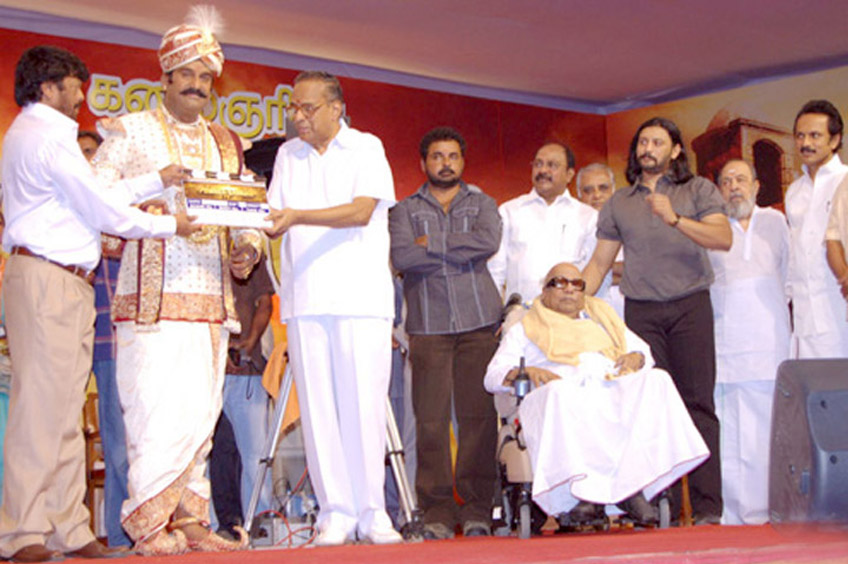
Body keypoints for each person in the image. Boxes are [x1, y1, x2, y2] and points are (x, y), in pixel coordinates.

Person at [0, 45, 192, 563]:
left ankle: (68, 529)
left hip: (57, 282)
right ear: (47, 88)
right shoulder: (46, 136)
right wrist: (170, 224)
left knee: (62, 413)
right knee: (40, 413)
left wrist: (157, 180)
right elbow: (103, 207)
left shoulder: (34, 134)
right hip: (49, 279)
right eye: (73, 86)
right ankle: (20, 533)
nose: (81, 95)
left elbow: (93, 192)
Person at [91, 7, 262, 555]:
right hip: (150, 300)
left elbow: (244, 214)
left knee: (199, 415)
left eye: (205, 76)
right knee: (153, 411)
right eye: (185, 74)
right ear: (164, 77)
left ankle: (189, 521)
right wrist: (156, 191)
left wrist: (246, 250)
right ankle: (145, 527)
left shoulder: (224, 140)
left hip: (211, 301)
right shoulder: (131, 129)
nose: (196, 84)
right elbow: (95, 199)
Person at [264, 70, 401, 546]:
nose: (298, 117)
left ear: (336, 107)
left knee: (363, 405)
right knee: (319, 410)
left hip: (361, 298)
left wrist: (298, 216)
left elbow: (361, 211)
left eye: (308, 108)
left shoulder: (366, 147)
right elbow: (270, 217)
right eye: (293, 108)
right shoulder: (287, 155)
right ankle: (335, 513)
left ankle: (373, 511)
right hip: (304, 300)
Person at [582, 117, 731, 524]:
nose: (648, 148)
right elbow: (599, 263)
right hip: (642, 312)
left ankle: (706, 509)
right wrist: (569, 297)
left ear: (676, 150)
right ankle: (658, 504)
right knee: (648, 407)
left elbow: (723, 238)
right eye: (643, 142)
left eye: (658, 142)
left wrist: (676, 219)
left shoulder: (697, 189)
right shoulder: (619, 203)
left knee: (698, 405)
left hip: (690, 306)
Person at [485, 263, 708, 523]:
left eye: (577, 284)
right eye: (560, 282)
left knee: (658, 380)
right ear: (544, 290)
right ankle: (579, 495)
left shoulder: (602, 317)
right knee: (562, 393)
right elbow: (492, 376)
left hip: (608, 384)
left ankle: (633, 486)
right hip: (556, 389)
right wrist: (530, 371)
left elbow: (643, 353)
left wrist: (635, 358)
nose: (569, 289)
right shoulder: (526, 326)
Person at [389, 127, 502, 540]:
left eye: (453, 156)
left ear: (462, 161)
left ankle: (477, 509)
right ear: (424, 163)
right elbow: (403, 255)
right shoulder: (402, 210)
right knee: (432, 422)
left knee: (478, 419)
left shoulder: (483, 202)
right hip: (428, 327)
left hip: (479, 323)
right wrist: (460, 252)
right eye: (437, 156)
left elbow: (487, 242)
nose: (446, 163)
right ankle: (436, 510)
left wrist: (431, 244)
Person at [708, 159, 790, 525]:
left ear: (757, 186)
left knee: (765, 430)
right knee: (727, 429)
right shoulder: (709, 229)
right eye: (726, 181)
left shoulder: (776, 222)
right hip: (723, 345)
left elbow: (788, 280)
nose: (734, 187)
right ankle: (730, 515)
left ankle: (765, 511)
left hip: (768, 343)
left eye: (741, 179)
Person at [78, 130, 133, 548]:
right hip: (84, 342)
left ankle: (121, 535)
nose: (90, 163)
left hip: (125, 341)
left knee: (127, 443)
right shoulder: (70, 210)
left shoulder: (120, 208)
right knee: (107, 443)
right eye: (81, 156)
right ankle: (111, 535)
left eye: (95, 155)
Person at [209, 256, 274, 532]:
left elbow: (266, 302)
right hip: (207, 371)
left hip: (248, 370)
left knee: (255, 453)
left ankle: (258, 523)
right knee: (207, 453)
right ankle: (210, 526)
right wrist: (218, 352)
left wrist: (250, 341)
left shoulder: (248, 250)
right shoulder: (198, 250)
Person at [488, 142, 597, 303]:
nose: (543, 170)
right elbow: (495, 270)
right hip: (521, 317)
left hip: (569, 318)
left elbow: (593, 271)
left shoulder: (588, 216)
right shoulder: (509, 211)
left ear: (569, 175)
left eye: (552, 165)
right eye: (538, 164)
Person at [785, 100, 848, 358]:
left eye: (815, 135)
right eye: (800, 136)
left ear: (835, 140)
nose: (805, 143)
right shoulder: (794, 191)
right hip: (806, 313)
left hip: (840, 302)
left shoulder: (845, 180)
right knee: (818, 392)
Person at [576, 163, 624, 316]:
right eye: (588, 190)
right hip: (586, 319)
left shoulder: (631, 223)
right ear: (578, 195)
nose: (597, 195)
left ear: (613, 190)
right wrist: (617, 272)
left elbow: (641, 271)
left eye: (603, 188)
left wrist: (593, 271)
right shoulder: (570, 230)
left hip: (628, 315)